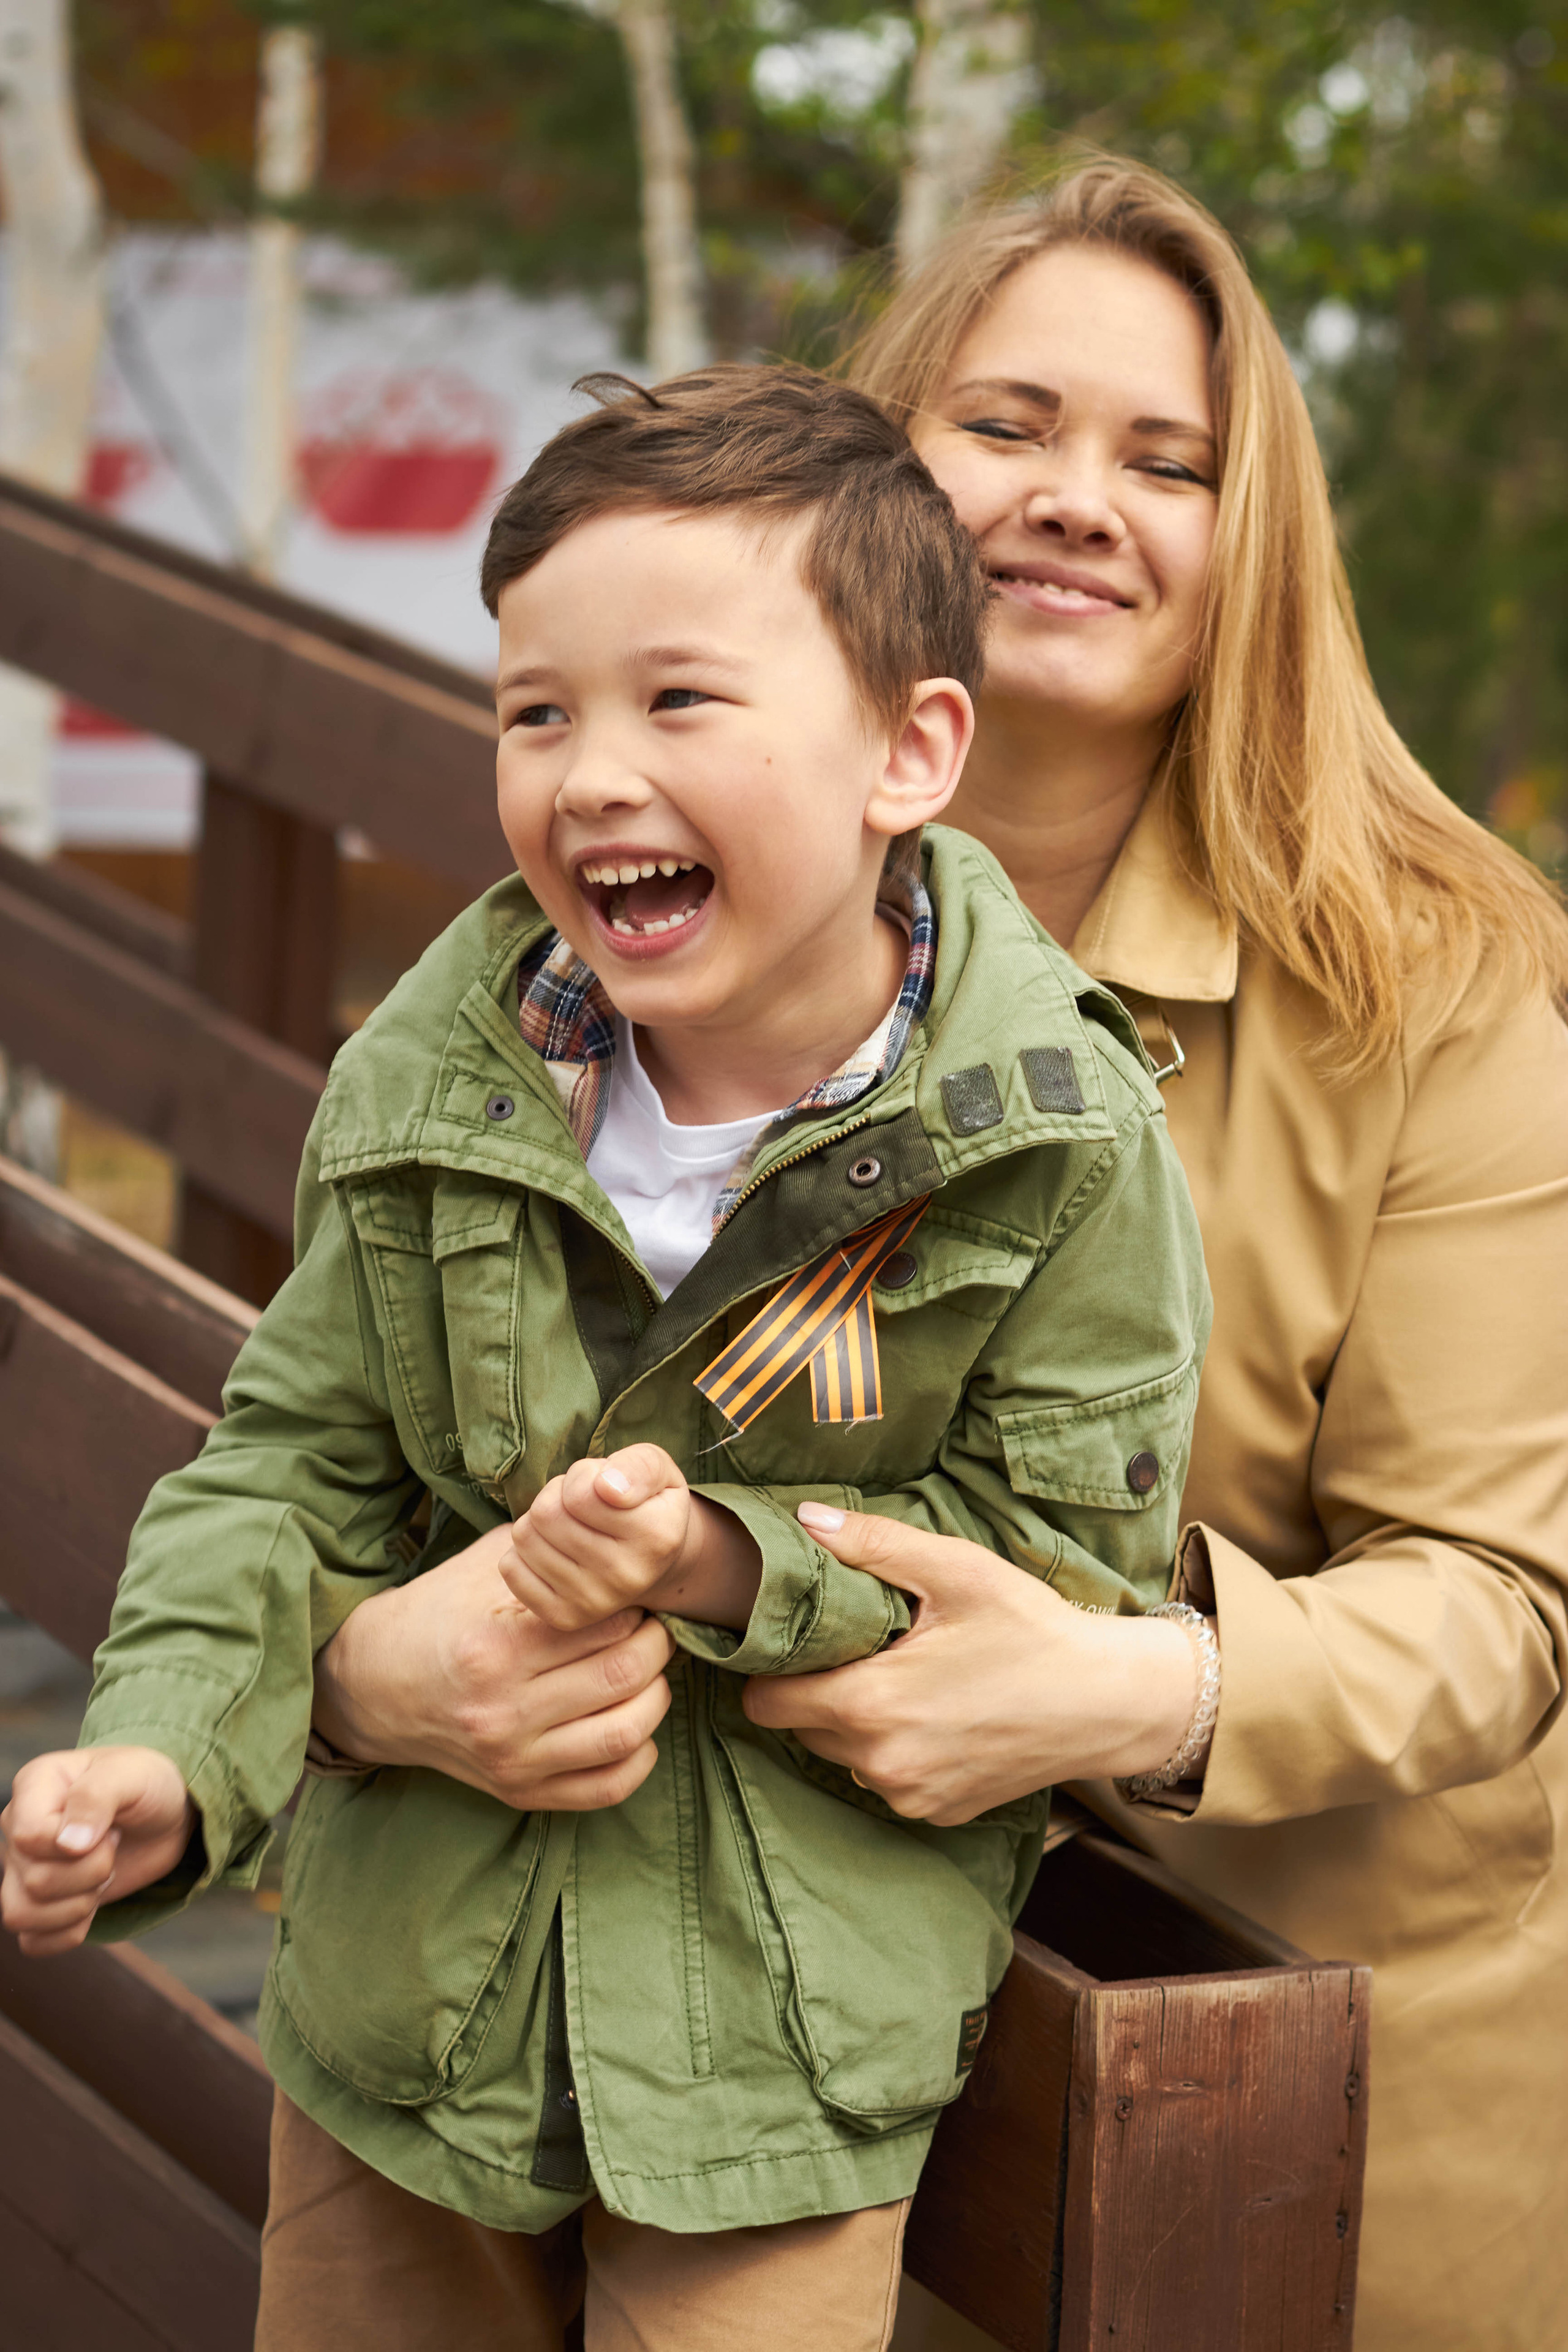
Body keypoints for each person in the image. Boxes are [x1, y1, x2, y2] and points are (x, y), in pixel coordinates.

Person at [297, 164, 1568, 2352]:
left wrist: (1131, 1684)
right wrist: (352, 1679)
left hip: (1262, 2052)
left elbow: (1506, 1600)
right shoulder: (623, 920)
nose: (1084, 499)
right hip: (713, 2016)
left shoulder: (1429, 988)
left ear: (1248, 541)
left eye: (1169, 461)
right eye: (1010, 427)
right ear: (876, 493)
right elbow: (340, 1446)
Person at [0, 364, 1213, 2352]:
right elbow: (286, 1469)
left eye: (679, 701)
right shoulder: (434, 1077)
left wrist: (731, 1565)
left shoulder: (1055, 1141)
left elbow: (1062, 1572)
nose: (589, 774)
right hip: (405, 2023)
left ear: (909, 751)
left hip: (777, 2073)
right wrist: (163, 1749)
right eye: (534, 710)